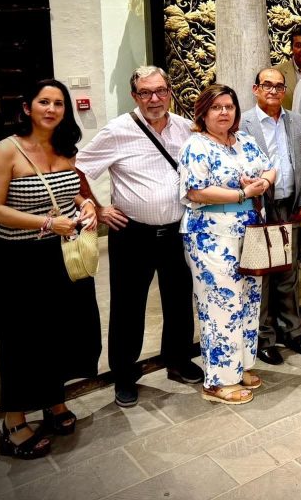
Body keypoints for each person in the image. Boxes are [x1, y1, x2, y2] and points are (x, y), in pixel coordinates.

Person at [0, 79, 101, 458]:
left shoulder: (65, 148)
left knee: (61, 332)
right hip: (21, 260)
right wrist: (47, 223)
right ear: (27, 108)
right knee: (23, 338)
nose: (51, 109)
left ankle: (54, 401)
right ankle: (14, 420)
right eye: (44, 102)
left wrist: (86, 204)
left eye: (58, 104)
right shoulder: (7, 150)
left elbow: (68, 190)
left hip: (64, 254)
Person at [75, 66, 202, 409]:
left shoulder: (185, 127)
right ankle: (124, 375)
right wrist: (96, 207)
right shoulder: (118, 131)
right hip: (132, 235)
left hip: (177, 232)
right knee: (128, 307)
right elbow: (78, 168)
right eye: (145, 92)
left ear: (170, 92)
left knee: (179, 299)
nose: (154, 99)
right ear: (135, 96)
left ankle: (178, 360)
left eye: (160, 91)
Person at [179, 84, 276, 404]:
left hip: (249, 232)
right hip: (211, 235)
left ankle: (240, 366)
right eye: (216, 107)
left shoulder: (244, 140)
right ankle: (218, 381)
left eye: (229, 107)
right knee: (221, 305)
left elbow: (270, 168)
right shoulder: (196, 145)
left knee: (248, 300)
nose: (224, 112)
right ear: (203, 112)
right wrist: (242, 193)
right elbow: (195, 191)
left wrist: (263, 181)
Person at [239, 67, 301, 365]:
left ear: (285, 91)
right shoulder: (243, 122)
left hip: (290, 206)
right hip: (259, 208)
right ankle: (264, 337)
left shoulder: (295, 121)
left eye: (279, 86)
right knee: (262, 276)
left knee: (288, 274)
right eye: (267, 85)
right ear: (256, 89)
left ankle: (292, 330)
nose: (273, 91)